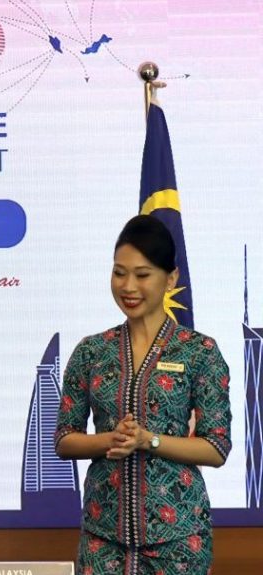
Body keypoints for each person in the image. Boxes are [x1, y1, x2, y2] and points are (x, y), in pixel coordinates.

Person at [55, 215, 231, 575]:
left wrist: (148, 440)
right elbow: (64, 439)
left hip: (178, 541)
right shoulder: (91, 351)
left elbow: (216, 447)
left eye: (142, 274)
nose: (128, 286)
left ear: (171, 279)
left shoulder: (200, 352)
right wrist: (110, 439)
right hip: (102, 539)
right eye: (119, 273)